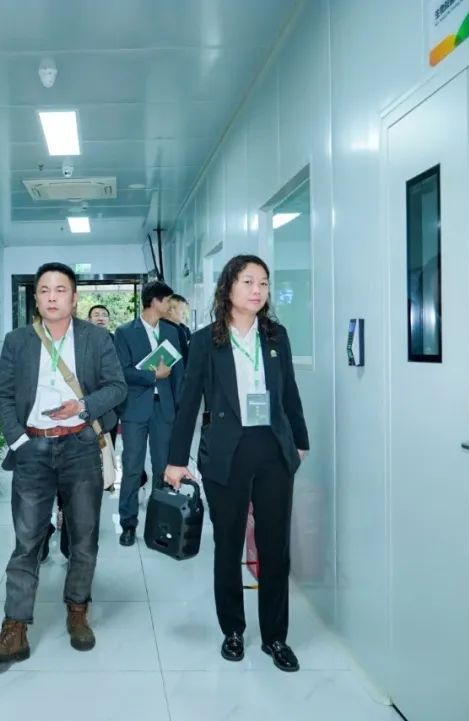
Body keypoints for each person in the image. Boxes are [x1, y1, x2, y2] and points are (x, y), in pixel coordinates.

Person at [164, 254, 309, 672]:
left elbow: (289, 392)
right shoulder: (205, 341)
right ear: (228, 287)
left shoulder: (276, 336)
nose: (257, 290)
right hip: (226, 453)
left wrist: (300, 441)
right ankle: (233, 630)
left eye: (263, 283)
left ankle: (275, 637)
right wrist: (175, 460)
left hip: (273, 449)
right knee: (228, 546)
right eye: (248, 282)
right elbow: (188, 403)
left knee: (274, 548)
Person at [0, 262, 126, 663]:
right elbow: (2, 394)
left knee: (84, 537)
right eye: (44, 290)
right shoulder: (18, 340)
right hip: (33, 449)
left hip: (80, 446)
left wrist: (83, 405)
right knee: (27, 540)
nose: (52, 297)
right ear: (36, 298)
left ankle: (77, 610)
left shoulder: (96, 338)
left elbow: (117, 387)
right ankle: (15, 629)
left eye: (61, 290)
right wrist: (19, 441)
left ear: (74, 298)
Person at [113, 280, 185, 546]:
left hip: (164, 409)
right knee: (132, 467)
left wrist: (179, 408)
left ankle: (158, 523)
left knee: (162, 467)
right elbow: (121, 371)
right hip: (135, 409)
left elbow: (179, 373)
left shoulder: (172, 331)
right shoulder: (124, 332)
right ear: (155, 301)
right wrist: (153, 376)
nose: (170, 306)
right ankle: (128, 523)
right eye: (167, 301)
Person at [163, 293, 192, 363]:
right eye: (182, 309)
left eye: (185, 309)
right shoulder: (163, 329)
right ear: (170, 310)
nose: (184, 313)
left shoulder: (185, 330)